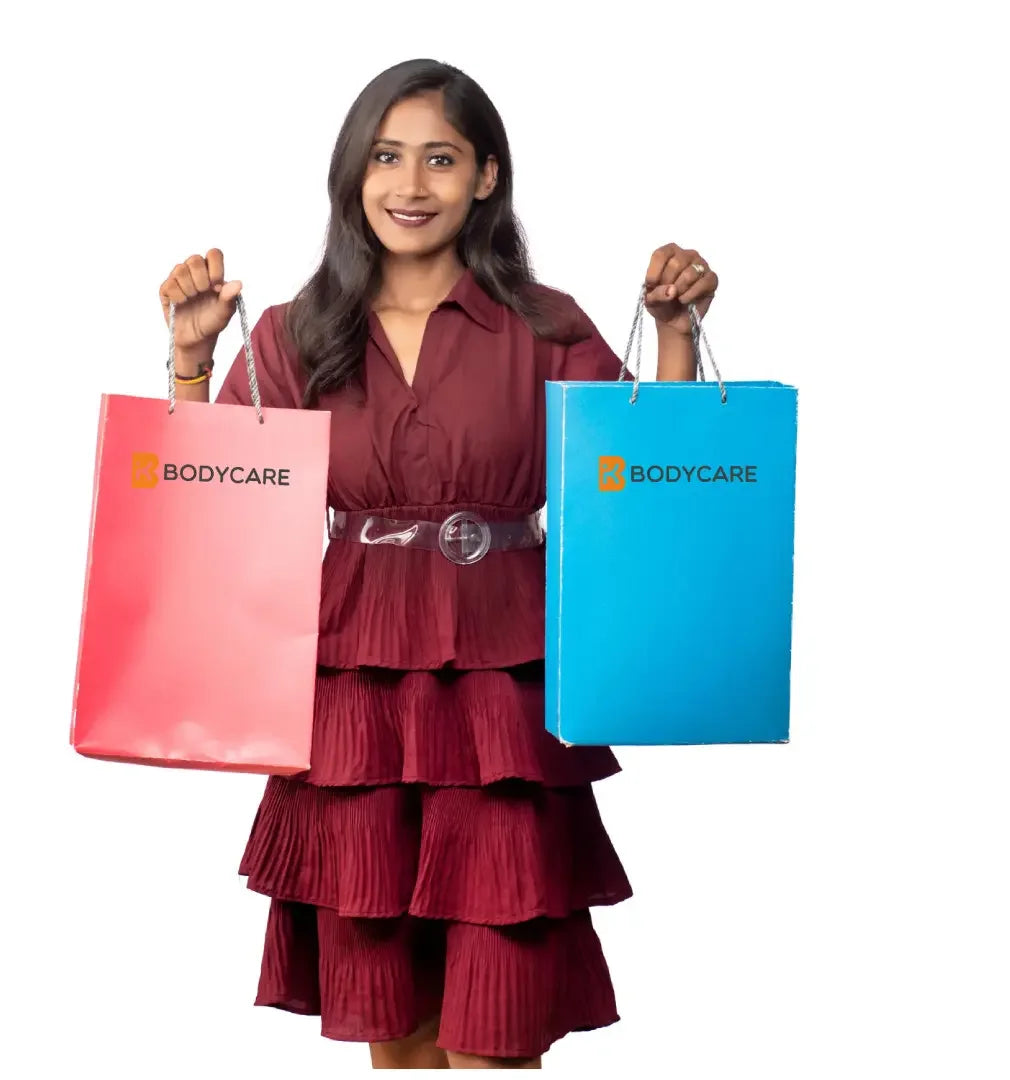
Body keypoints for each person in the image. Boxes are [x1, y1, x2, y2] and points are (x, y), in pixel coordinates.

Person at [158, 58, 718, 1071]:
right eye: (385, 157)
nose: (409, 185)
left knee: (498, 1025)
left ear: (485, 180)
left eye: (440, 159)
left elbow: (649, 491)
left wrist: (674, 336)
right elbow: (212, 507)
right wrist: (191, 360)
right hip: (354, 691)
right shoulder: (295, 333)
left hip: (502, 697)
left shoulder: (545, 326)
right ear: (352, 174)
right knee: (396, 1030)